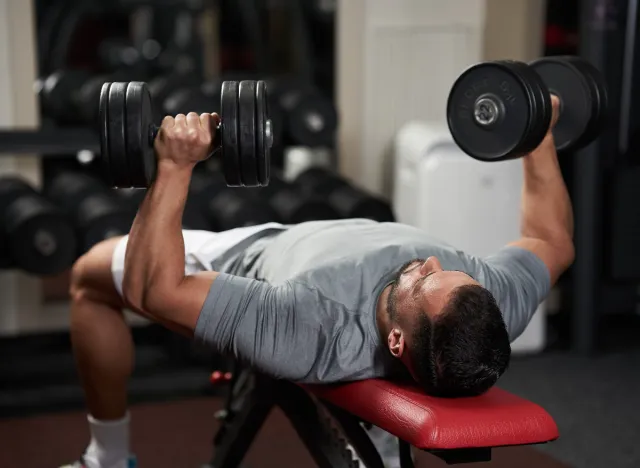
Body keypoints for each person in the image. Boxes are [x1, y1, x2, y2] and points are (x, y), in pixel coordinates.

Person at [62, 98, 573, 468]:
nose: (431, 261)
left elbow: (156, 289)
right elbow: (552, 241)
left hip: (257, 250)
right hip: (326, 243)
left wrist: (173, 165)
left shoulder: (308, 327)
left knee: (89, 276)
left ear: (396, 340)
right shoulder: (491, 299)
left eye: (423, 283)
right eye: (451, 272)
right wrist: (538, 134)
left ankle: (106, 459)